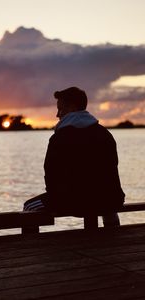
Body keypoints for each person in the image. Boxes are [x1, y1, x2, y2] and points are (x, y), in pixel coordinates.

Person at [24, 87, 125, 227]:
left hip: (75, 203)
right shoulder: (105, 134)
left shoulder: (59, 138)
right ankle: (114, 236)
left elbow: (51, 176)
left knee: (29, 207)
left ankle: (32, 248)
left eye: (60, 109)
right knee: (107, 204)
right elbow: (112, 170)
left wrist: (55, 198)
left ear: (72, 107)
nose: (57, 114)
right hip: (111, 199)